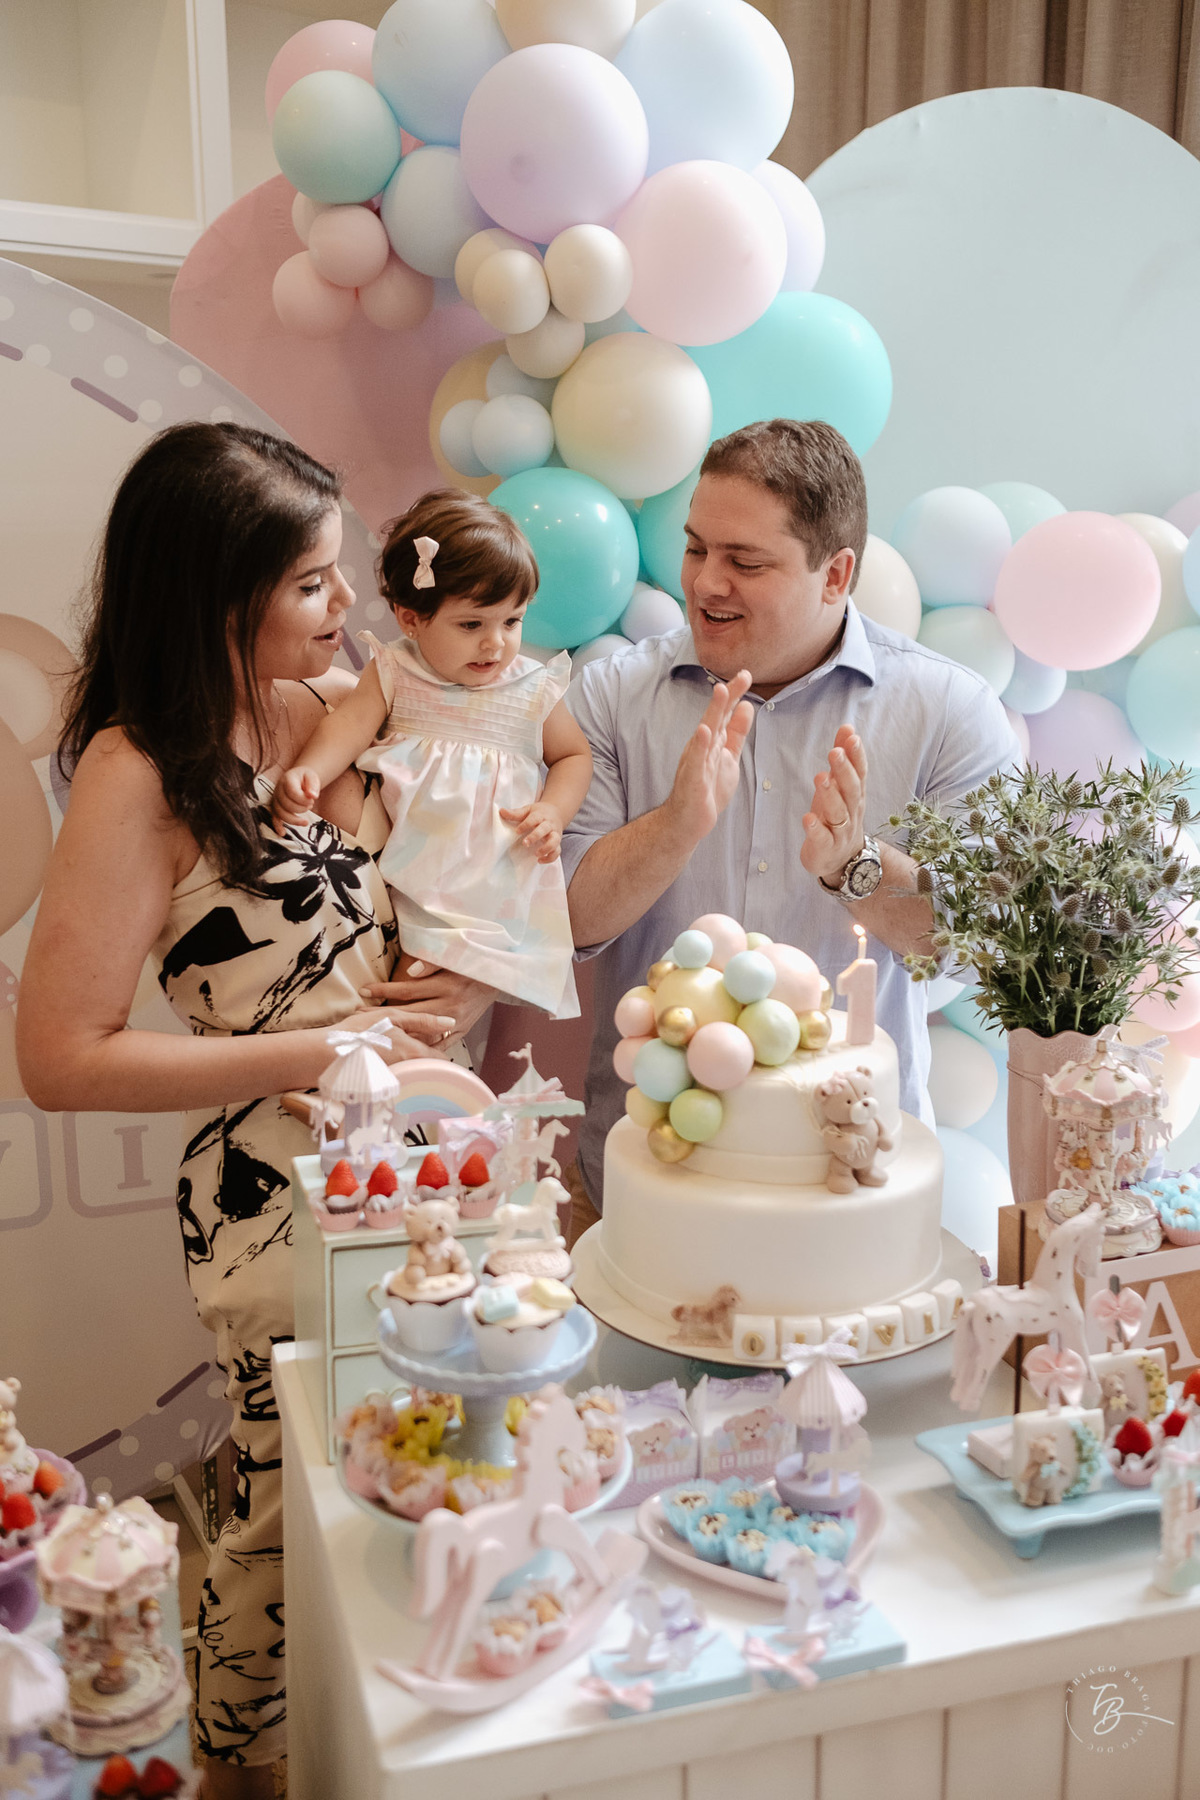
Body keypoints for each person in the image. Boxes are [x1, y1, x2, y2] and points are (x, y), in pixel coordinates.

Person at [16, 424, 459, 1800]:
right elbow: (61, 1057)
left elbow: (360, 949)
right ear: (224, 594)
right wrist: (308, 1057)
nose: (348, 609)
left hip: (421, 1167)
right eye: (317, 583)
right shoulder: (135, 772)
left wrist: (433, 979)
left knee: (422, 1499)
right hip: (276, 1212)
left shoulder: (324, 711)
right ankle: (249, 1775)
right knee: (288, 1520)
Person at [563, 418, 1020, 1219]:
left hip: (854, 1191)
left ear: (836, 573)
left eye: (745, 561)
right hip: (647, 1183)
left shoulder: (949, 712)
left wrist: (857, 868)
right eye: (698, 547)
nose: (705, 582)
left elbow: (983, 949)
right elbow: (569, 920)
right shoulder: (610, 698)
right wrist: (675, 825)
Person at [273, 489, 592, 1022]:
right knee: (382, 988)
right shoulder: (395, 670)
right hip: (406, 868)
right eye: (473, 625)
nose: (496, 644)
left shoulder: (530, 689)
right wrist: (310, 770)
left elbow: (573, 757)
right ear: (411, 618)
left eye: (511, 622)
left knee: (423, 1002)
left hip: (487, 880)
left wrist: (554, 811)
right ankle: (375, 1086)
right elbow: (347, 728)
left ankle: (389, 1088)